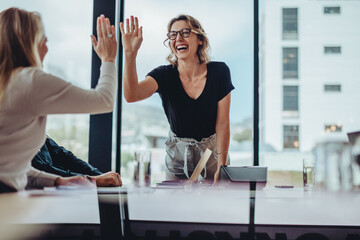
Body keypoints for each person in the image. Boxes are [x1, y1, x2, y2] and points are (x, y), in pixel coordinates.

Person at [0, 7, 117, 193]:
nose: (47, 46)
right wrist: (109, 59)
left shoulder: (7, 82)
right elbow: (104, 100)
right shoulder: (29, 80)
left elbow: (8, 169)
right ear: (28, 42)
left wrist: (57, 181)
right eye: (43, 38)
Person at [120, 15, 234, 183]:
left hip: (213, 152)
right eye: (173, 35)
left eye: (185, 32)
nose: (178, 38)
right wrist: (130, 54)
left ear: (200, 39)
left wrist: (222, 166)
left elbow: (223, 123)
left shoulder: (220, 71)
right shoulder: (164, 75)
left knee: (216, 202)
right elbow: (131, 95)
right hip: (178, 154)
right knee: (175, 204)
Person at [32, 137, 122, 187]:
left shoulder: (37, 130)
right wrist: (92, 180)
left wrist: (98, 175)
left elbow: (65, 157)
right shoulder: (20, 131)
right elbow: (39, 170)